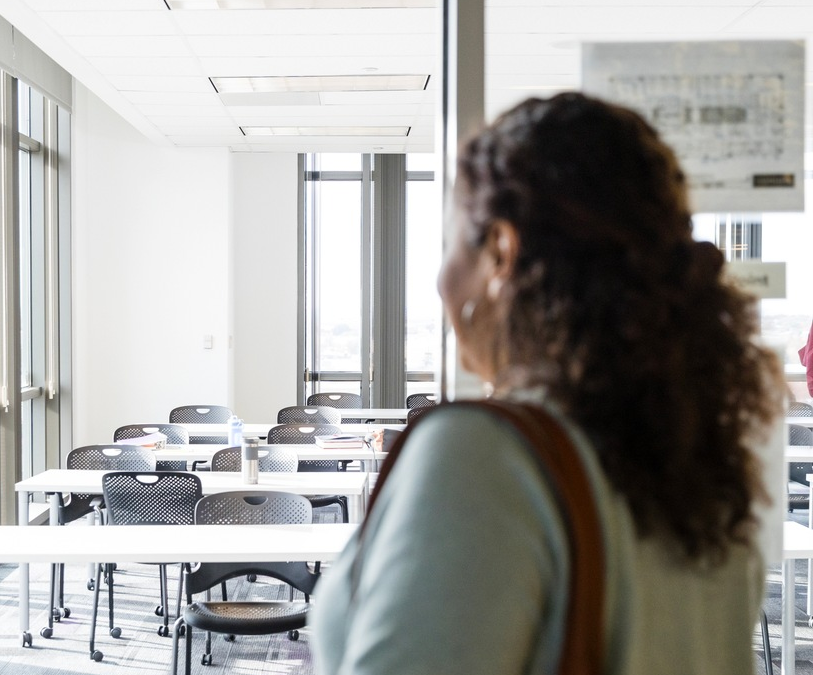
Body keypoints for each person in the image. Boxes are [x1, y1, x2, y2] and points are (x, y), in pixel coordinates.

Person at [310, 92, 784, 674]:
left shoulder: (483, 456)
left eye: (450, 244)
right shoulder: (699, 466)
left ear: (501, 252)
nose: (440, 279)